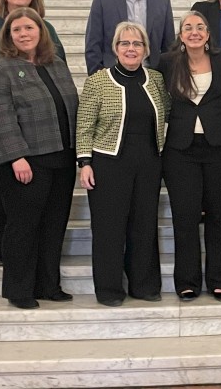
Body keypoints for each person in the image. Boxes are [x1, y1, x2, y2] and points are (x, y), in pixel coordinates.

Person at [0, 7, 78, 310]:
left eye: (29, 28)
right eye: (17, 30)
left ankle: (48, 284)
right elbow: (0, 117)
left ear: (41, 31)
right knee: (23, 226)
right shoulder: (2, 69)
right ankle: (19, 288)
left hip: (61, 158)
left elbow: (70, 108)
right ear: (9, 36)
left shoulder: (57, 64)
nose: (24, 34)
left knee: (54, 224)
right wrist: (16, 157)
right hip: (26, 162)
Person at [0, 0, 67, 268]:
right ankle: (1, 251)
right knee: (6, 199)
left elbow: (57, 70)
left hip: (46, 133)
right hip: (4, 116)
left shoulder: (47, 28)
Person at [77, 22, 171, 307]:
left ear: (146, 49)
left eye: (137, 44)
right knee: (109, 228)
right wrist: (85, 162)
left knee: (144, 225)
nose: (131, 49)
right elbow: (84, 124)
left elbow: (166, 114)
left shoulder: (155, 79)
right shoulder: (98, 80)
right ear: (115, 48)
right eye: (125, 44)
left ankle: (144, 285)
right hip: (108, 162)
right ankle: (109, 289)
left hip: (148, 162)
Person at [158, 12, 221, 302]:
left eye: (200, 27)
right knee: (185, 216)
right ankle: (188, 281)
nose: (194, 32)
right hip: (181, 150)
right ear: (181, 35)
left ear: (208, 34)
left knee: (220, 216)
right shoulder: (167, 63)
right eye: (188, 27)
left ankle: (220, 279)